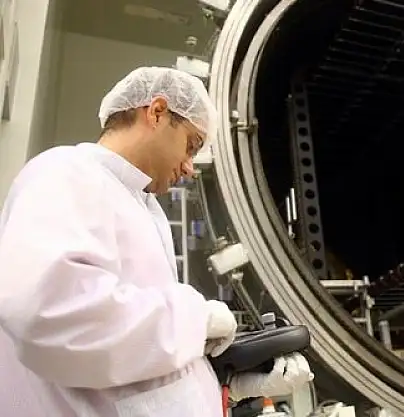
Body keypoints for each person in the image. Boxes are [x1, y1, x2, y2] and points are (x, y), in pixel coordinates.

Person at [0, 67, 313, 417]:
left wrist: (224, 385)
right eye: (191, 146)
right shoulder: (67, 173)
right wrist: (196, 319)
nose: (190, 167)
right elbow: (51, 313)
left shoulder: (142, 207)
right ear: (157, 112)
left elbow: (131, 356)